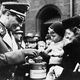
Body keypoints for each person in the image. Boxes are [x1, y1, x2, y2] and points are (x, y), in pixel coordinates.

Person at [0, 1, 38, 80]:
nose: (20, 25)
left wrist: (25, 61)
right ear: (7, 14)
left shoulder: (9, 33)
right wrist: (21, 53)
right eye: (19, 20)